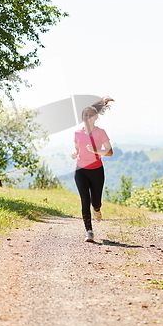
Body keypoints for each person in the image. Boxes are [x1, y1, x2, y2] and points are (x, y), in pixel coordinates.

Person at [71, 97, 114, 242]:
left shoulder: (100, 132)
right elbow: (78, 148)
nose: (88, 118)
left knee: (95, 202)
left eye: (90, 115)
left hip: (96, 170)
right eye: (85, 115)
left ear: (95, 117)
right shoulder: (77, 133)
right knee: (85, 200)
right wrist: (75, 154)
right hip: (80, 170)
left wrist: (96, 150)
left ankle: (97, 210)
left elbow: (109, 152)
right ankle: (89, 231)